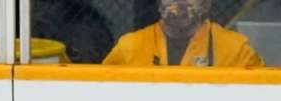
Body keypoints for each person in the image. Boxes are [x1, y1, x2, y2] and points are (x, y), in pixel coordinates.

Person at [102, 0, 262, 66]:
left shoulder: (235, 50)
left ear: (206, 5)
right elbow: (102, 92)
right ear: (159, 3)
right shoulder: (130, 47)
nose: (179, 2)